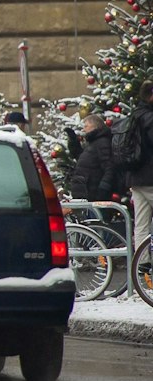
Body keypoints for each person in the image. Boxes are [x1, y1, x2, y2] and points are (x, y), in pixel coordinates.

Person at [120, 83, 153, 273]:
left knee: (141, 223)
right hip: (150, 177)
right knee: (141, 222)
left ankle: (142, 262)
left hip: (136, 178)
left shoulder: (135, 114)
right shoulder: (149, 117)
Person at [65, 114, 122, 203]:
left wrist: (104, 187)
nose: (84, 129)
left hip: (94, 194)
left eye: (86, 126)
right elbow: (82, 159)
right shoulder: (93, 143)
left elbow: (110, 167)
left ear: (95, 127)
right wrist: (73, 141)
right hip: (87, 192)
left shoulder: (102, 143)